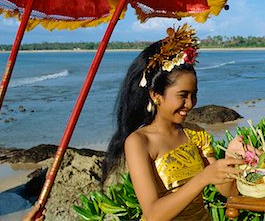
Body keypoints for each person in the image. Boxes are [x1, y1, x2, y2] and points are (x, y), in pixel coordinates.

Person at [101, 24, 245, 221]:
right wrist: (203, 178)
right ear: (156, 95)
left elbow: (228, 192)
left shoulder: (195, 134)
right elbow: (153, 214)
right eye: (182, 95)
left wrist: (231, 157)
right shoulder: (139, 142)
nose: (190, 104)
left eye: (194, 95)